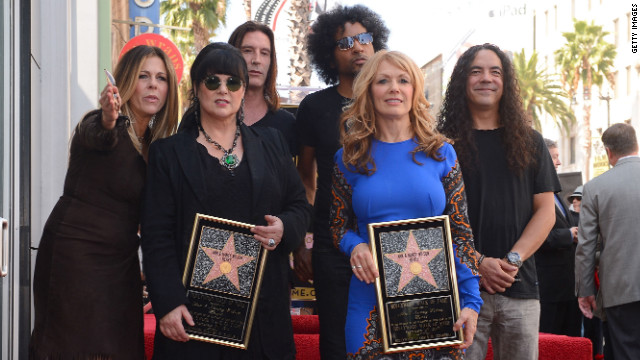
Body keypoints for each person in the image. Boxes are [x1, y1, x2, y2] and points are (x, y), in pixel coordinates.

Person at [141, 42, 311, 359]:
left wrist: (284, 229)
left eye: (232, 82)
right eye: (212, 81)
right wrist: (168, 302)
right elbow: (156, 234)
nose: (223, 89)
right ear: (196, 88)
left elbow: (299, 206)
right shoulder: (168, 153)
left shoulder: (272, 143)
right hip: (194, 313)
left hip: (263, 313)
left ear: (244, 89)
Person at [330, 50, 482, 359]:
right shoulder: (349, 158)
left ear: (415, 90)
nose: (394, 88)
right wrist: (355, 246)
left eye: (403, 80)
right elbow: (337, 226)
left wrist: (470, 302)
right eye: (382, 81)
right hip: (369, 300)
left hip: (435, 300)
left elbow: (461, 234)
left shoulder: (441, 153)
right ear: (369, 91)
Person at [30, 45, 179, 359]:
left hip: (122, 264)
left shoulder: (157, 148)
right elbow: (97, 132)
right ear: (125, 82)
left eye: (161, 78)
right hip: (76, 258)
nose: (154, 84)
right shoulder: (101, 124)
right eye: (144, 76)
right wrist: (108, 117)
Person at [437, 43, 558, 360]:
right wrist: (477, 261)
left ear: (506, 82)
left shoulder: (530, 141)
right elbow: (431, 216)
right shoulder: (439, 144)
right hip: (459, 289)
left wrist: (512, 260)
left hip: (518, 285)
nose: (485, 79)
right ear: (463, 81)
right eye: (475, 71)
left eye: (495, 71)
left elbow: (546, 212)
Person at [294, 5, 389, 359]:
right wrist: (303, 242)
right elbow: (305, 176)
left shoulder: (393, 102)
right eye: (346, 42)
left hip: (388, 243)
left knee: (389, 338)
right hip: (332, 245)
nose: (358, 47)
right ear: (330, 57)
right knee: (335, 342)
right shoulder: (315, 107)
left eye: (364, 38)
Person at [575, 123, 640, 360]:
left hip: (620, 290)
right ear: (637, 144)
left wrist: (585, 291)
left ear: (608, 152)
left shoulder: (594, 189)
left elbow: (586, 246)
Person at [228, 21, 297, 156]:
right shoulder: (207, 118)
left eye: (264, 53)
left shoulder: (287, 124)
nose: (257, 60)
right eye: (247, 51)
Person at [534, 139, 581, 336]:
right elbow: (536, 236)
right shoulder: (532, 194)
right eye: (554, 157)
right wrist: (569, 235)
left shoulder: (555, 193)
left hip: (568, 288)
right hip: (549, 289)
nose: (559, 162)